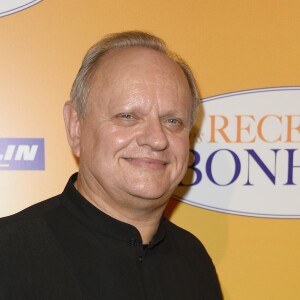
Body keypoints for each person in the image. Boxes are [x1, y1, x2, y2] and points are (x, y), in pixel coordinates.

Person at [0, 31, 222, 299]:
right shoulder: (9, 253)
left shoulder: (193, 260)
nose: (156, 139)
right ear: (75, 127)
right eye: (127, 116)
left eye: (172, 121)